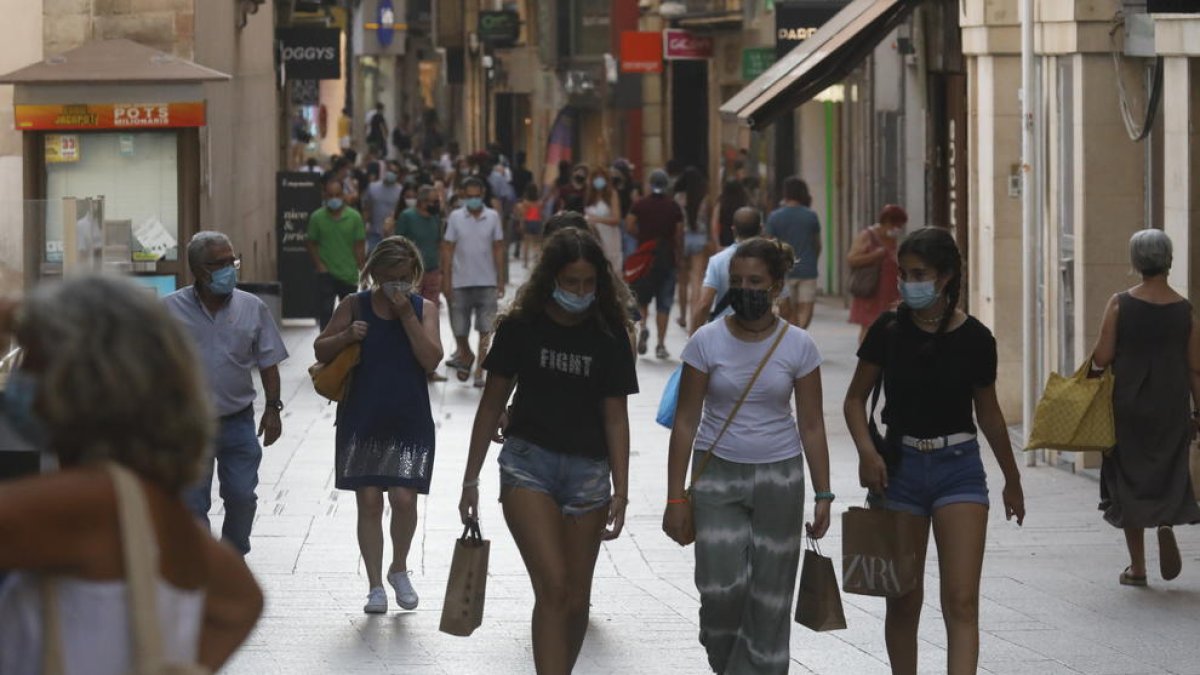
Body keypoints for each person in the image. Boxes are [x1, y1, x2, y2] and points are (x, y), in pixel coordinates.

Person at [0, 275, 263, 672]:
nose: (17, 376)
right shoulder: (156, 512)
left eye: (31, 359)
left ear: (79, 376)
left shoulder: (90, 503)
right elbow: (241, 602)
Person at [843, 226, 1025, 675]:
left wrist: (1012, 479)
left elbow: (990, 414)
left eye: (918, 273)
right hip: (899, 471)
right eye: (903, 273)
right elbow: (853, 400)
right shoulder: (888, 329)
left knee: (961, 600)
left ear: (945, 277)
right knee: (903, 600)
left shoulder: (977, 339)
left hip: (958, 469)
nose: (908, 282)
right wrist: (868, 453)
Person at [457, 227, 638, 674]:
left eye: (588, 283)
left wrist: (622, 489)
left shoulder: (609, 333)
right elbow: (490, 405)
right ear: (552, 279)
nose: (579, 292)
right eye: (570, 282)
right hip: (527, 466)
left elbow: (616, 416)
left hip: (590, 473)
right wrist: (470, 479)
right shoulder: (523, 327)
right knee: (554, 589)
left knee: (576, 600)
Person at [663, 238, 832, 675]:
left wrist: (824, 493)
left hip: (781, 477)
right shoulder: (706, 341)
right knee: (719, 589)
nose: (744, 289)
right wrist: (674, 498)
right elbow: (685, 421)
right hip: (717, 476)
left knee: (771, 598)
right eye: (736, 281)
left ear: (776, 285)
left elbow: (812, 424)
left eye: (754, 281)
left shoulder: (798, 346)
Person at [313, 237, 443, 614]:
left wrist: (406, 317)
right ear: (373, 274)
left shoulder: (424, 309)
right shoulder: (355, 305)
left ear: (414, 275)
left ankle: (398, 568)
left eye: (403, 277)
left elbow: (430, 359)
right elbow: (321, 349)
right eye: (388, 277)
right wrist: (346, 335)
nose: (396, 285)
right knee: (368, 502)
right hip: (363, 415)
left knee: (404, 499)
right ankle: (374, 586)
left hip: (409, 416)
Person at [164, 232, 288, 556]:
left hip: (237, 422)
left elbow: (268, 362)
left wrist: (273, 408)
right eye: (218, 263)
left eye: (230, 260)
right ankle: (205, 566)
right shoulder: (169, 310)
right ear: (197, 269)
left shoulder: (252, 307)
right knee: (191, 502)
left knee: (242, 496)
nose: (228, 268)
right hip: (188, 425)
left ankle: (232, 556)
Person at [1091, 229, 1200, 586]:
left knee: (1128, 477)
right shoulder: (1185, 309)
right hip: (1170, 403)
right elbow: (1195, 365)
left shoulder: (1121, 302)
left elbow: (1103, 356)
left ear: (1136, 262)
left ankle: (1137, 567)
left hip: (1129, 404)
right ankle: (1165, 520)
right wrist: (1197, 412)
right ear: (1168, 261)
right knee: (1168, 468)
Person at [442, 177, 506, 387]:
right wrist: (447, 279)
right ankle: (466, 354)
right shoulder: (455, 217)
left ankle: (479, 369)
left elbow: (498, 246)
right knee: (459, 328)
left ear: (482, 196)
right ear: (463, 196)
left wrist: (501, 278)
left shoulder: (493, 217)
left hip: (487, 281)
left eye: (476, 196)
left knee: (486, 329)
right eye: (469, 197)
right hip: (460, 281)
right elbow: (448, 248)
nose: (473, 200)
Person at [626, 169, 684, 360]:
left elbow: (629, 224)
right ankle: (660, 344)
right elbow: (679, 233)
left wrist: (642, 238)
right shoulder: (673, 207)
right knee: (664, 303)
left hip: (646, 258)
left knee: (643, 299)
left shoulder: (640, 204)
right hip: (667, 258)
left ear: (649, 184)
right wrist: (679, 254)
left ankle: (642, 328)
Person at [690, 206, 763, 333]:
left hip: (724, 332)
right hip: (760, 334)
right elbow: (785, 308)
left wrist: (693, 336)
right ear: (761, 229)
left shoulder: (718, 260)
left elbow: (704, 304)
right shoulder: (771, 261)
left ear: (733, 230)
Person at [307, 178, 366, 330]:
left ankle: (349, 350)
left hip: (349, 273)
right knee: (325, 313)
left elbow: (359, 246)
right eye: (330, 195)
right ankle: (325, 348)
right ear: (325, 196)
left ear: (343, 195)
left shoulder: (354, 217)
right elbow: (311, 243)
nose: (334, 199)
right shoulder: (317, 217)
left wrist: (363, 269)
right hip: (326, 274)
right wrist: (320, 266)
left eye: (338, 194)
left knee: (350, 315)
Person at [847, 204, 908, 344]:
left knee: (888, 325)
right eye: (895, 225)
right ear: (887, 221)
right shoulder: (867, 235)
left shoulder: (893, 238)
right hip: (872, 288)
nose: (897, 229)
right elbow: (852, 259)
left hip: (890, 290)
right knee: (868, 325)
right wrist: (875, 255)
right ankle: (865, 358)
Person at [766, 176, 822, 328]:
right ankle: (800, 333)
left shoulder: (774, 217)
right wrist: (812, 260)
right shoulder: (811, 216)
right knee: (806, 308)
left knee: (787, 311)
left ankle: (793, 336)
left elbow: (769, 245)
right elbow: (817, 244)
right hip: (807, 269)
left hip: (784, 271)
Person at [675, 167, 711, 332]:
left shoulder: (678, 198)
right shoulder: (705, 199)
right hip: (700, 238)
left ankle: (682, 316)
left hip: (683, 238)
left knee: (682, 281)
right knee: (697, 280)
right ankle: (694, 321)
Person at [583, 165, 623, 272]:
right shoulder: (590, 197)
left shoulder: (611, 195)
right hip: (593, 237)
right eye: (596, 178)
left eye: (601, 178)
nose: (598, 181)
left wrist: (597, 219)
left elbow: (616, 219)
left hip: (609, 237)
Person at [362, 160, 404, 252]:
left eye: (395, 172)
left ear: (399, 175)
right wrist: (364, 227)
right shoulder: (372, 187)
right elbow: (366, 209)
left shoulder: (401, 191)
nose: (391, 173)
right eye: (390, 170)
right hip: (374, 234)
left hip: (392, 236)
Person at [711, 179, 750, 250]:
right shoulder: (744, 203)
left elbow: (714, 225)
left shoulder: (721, 203)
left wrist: (717, 244)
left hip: (724, 240)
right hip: (742, 240)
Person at [516, 183, 543, 268]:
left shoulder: (525, 202)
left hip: (528, 221)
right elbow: (541, 213)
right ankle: (537, 259)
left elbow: (524, 214)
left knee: (526, 244)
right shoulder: (539, 202)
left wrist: (521, 223)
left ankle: (525, 262)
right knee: (537, 243)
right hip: (537, 222)